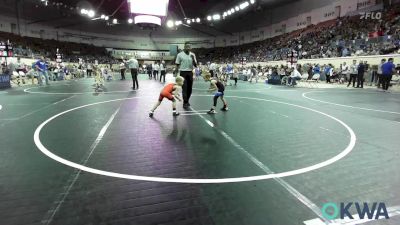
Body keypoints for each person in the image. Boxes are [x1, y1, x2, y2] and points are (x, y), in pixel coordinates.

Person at [175, 43, 197, 109]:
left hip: (190, 72)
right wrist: (176, 74)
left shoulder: (192, 55)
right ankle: (185, 102)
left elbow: (196, 65)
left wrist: (193, 59)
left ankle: (187, 101)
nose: (188, 48)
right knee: (184, 88)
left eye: (189, 47)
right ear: (184, 47)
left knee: (190, 89)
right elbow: (177, 64)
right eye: (187, 47)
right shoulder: (180, 55)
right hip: (183, 73)